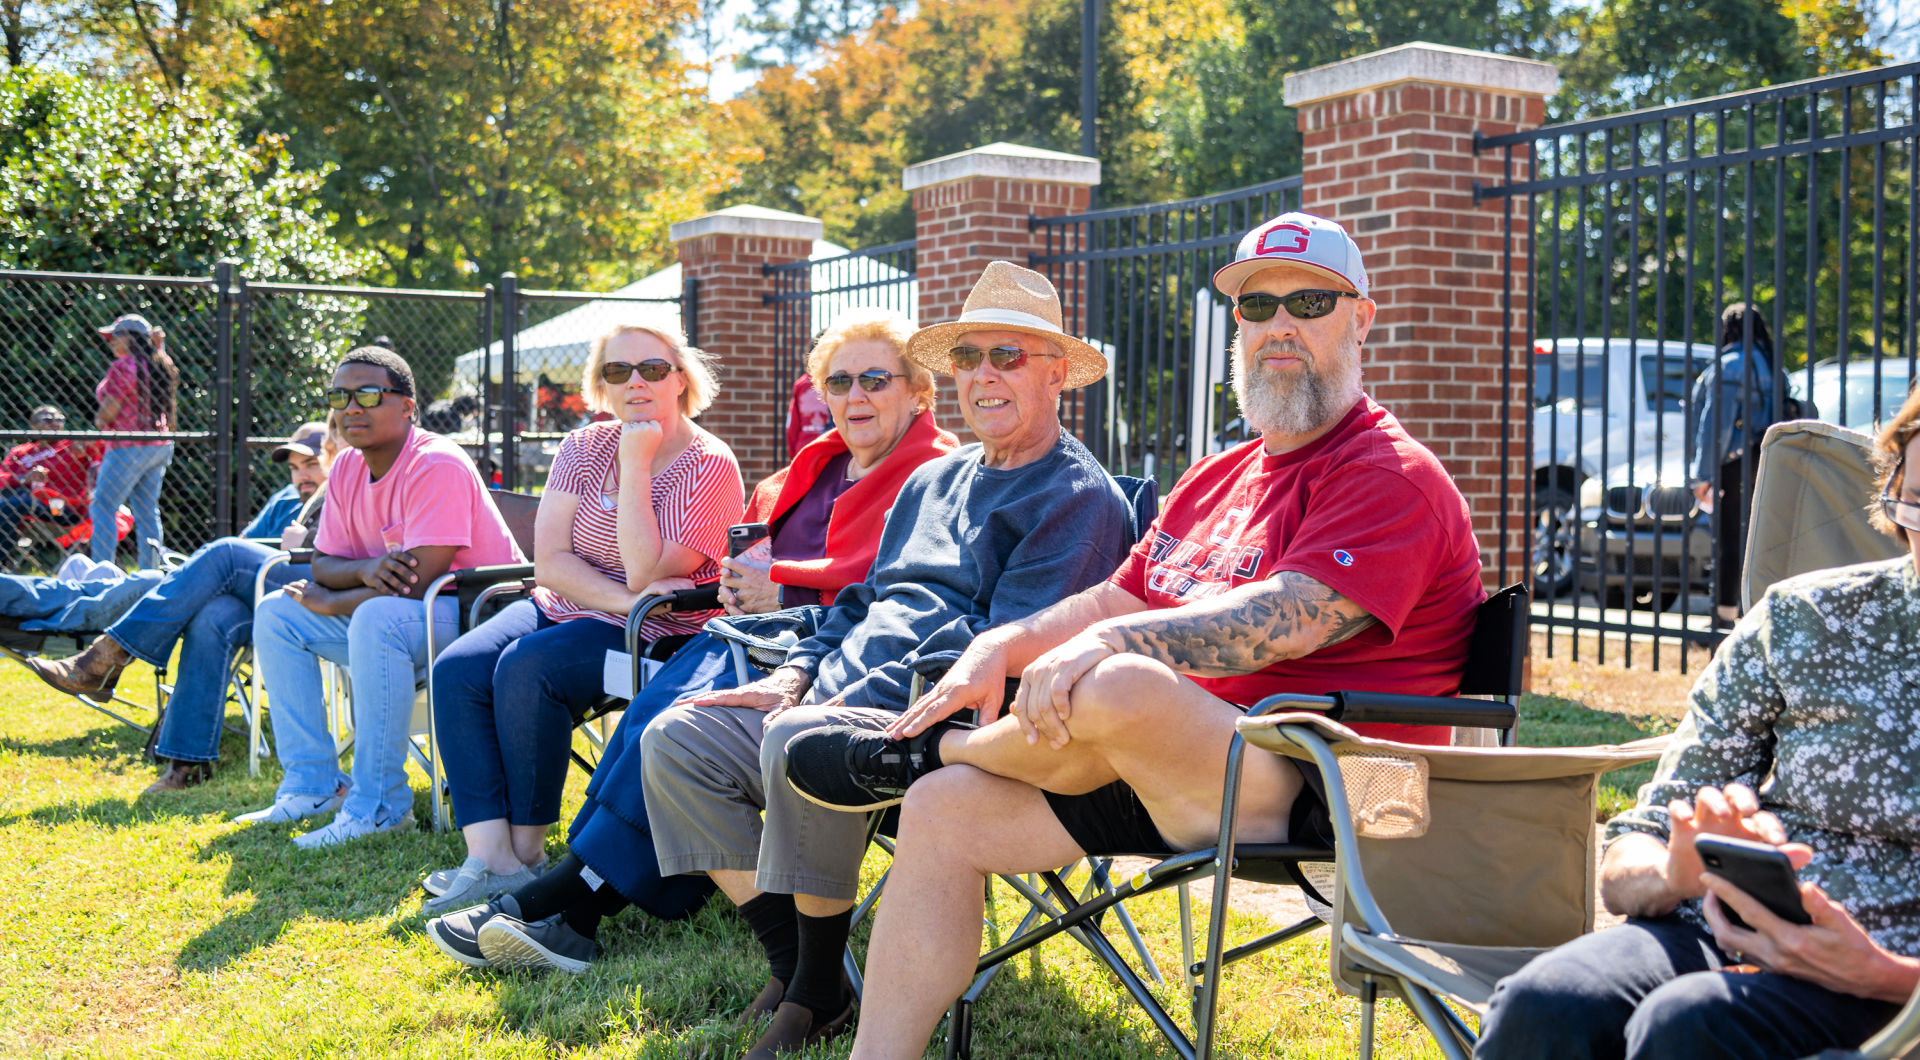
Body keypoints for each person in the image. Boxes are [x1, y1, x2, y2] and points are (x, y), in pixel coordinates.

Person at [782, 213, 1487, 1060]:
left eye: (1308, 301)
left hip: (1344, 783)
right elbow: (1119, 592)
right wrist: (999, 650)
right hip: (1171, 764)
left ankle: (929, 750)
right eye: (1257, 309)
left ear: (1360, 318)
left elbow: (1288, 622)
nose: (1279, 327)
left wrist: (1112, 650)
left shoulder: (1389, 472)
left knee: (1118, 682)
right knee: (940, 812)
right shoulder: (1221, 474)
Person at [602, 262, 1132, 1060]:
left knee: (801, 745)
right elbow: (863, 602)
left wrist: (836, 703)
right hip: (830, 693)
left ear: (1057, 372)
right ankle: (805, 966)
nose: (983, 376)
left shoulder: (1076, 500)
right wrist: (795, 671)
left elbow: (1009, 650)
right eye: (967, 357)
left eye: (1010, 356)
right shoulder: (932, 481)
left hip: (944, 728)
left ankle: (813, 992)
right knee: (673, 742)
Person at [422, 310, 959, 961]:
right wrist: (735, 589)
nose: (855, 396)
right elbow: (750, 561)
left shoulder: (937, 474)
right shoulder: (819, 467)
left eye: (875, 379)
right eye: (839, 382)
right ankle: (567, 899)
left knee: (663, 717)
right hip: (748, 636)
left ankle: (567, 900)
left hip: (843, 664)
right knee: (649, 715)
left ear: (918, 390)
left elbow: (893, 593)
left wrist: (777, 591)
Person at [1474, 387, 1920, 1060]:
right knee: (1547, 1007)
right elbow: (1634, 848)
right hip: (1723, 927)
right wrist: (1677, 872)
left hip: (1888, 985)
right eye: (1915, 502)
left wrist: (1885, 977)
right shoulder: (1805, 618)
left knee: (1692, 1026)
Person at [421, 323, 744, 912]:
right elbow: (551, 564)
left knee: (529, 666)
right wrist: (623, 599)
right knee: (459, 667)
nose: (636, 383)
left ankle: (526, 857)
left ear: (681, 379)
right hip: (594, 610)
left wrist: (637, 462)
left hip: (663, 636)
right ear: (602, 385)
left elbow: (645, 568)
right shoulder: (582, 446)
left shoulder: (709, 464)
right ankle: (490, 856)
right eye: (618, 372)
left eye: (652, 368)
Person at [233, 347, 523, 849]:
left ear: (407, 406)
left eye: (368, 394)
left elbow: (419, 582)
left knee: (376, 617)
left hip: (476, 618)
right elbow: (321, 562)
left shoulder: (436, 463)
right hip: (399, 623)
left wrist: (336, 600)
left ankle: (382, 806)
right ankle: (314, 786)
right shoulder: (345, 467)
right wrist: (365, 569)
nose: (352, 408)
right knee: (279, 614)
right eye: (340, 396)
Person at [23, 421, 339, 792]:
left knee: (223, 553)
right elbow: (248, 543)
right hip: (262, 599)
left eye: (312, 464)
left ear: (334, 456)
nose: (302, 475)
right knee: (212, 618)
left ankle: (105, 657)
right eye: (294, 467)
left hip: (316, 595)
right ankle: (186, 765)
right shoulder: (292, 499)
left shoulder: (344, 489)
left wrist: (301, 544)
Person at [1690, 303, 1779, 624]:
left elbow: (1716, 426)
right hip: (1770, 463)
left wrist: (1702, 475)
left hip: (1735, 465)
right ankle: (1757, 614)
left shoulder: (1730, 366)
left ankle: (1724, 617)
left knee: (1729, 540)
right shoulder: (1772, 365)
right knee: (1762, 540)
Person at [91, 313, 180, 569]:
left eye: (115, 336)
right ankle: (149, 571)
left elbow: (110, 409)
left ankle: (101, 571)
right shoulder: (159, 363)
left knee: (103, 506)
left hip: (127, 446)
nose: (110, 342)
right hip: (159, 445)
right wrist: (159, 345)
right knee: (146, 510)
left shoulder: (123, 366)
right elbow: (159, 361)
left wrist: (99, 421)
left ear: (129, 338)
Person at [0, 405, 94, 556]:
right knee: (12, 503)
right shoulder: (20, 452)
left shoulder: (72, 445)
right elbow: (2, 477)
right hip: (25, 502)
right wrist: (24, 478)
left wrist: (86, 449)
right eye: (48, 420)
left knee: (11, 505)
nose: (55, 423)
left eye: (60, 419)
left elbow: (95, 455)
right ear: (33, 426)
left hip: (61, 507)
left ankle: (1, 563)